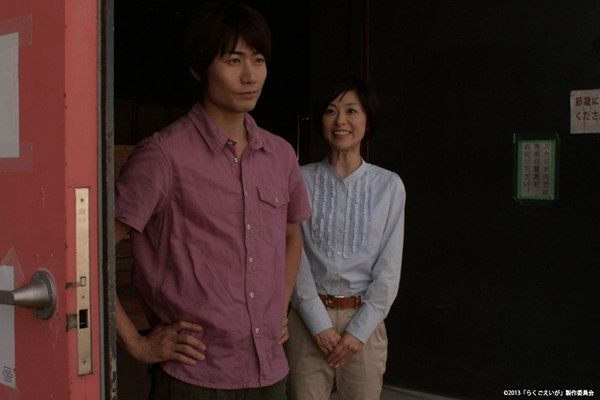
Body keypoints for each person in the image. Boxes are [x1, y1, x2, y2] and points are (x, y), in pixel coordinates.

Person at [114, 2, 311, 398]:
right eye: (233, 60)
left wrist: (279, 305)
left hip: (269, 370)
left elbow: (292, 237)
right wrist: (138, 343)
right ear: (198, 69)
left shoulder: (281, 155)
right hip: (195, 377)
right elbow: (88, 254)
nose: (250, 75)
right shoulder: (163, 156)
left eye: (258, 60)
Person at [286, 76, 406, 400]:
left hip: (364, 320)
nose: (340, 120)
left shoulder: (389, 185)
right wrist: (318, 324)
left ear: (368, 120)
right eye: (331, 111)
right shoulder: (299, 179)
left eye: (351, 111)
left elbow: (389, 269)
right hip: (307, 318)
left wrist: (358, 331)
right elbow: (293, 255)